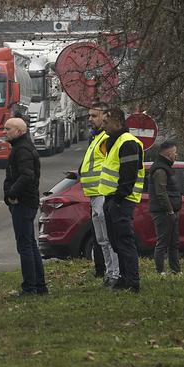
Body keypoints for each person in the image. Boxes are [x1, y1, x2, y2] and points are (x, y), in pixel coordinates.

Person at [100, 108, 145, 292]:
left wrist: (118, 198)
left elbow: (129, 174)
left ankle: (132, 281)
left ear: (118, 121)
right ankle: (124, 278)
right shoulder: (116, 141)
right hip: (113, 199)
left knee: (124, 241)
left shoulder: (127, 142)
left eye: (106, 122)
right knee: (116, 241)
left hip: (122, 200)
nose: (103, 127)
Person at [3, 117, 46, 295]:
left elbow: (26, 175)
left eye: (8, 129)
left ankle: (30, 287)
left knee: (25, 246)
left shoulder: (22, 150)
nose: (5, 132)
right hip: (25, 202)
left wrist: (12, 193)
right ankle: (38, 285)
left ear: (20, 132)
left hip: (23, 202)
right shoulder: (21, 148)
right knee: (30, 243)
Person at [80, 102, 120, 286]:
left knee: (109, 239)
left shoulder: (105, 139)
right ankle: (109, 272)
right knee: (102, 240)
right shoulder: (95, 138)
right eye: (89, 115)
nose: (90, 119)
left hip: (102, 193)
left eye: (94, 116)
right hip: (94, 194)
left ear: (105, 117)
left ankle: (115, 274)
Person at [148, 140, 182, 275]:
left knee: (174, 242)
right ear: (168, 154)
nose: (176, 155)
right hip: (163, 212)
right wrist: (169, 210)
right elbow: (161, 193)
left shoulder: (166, 168)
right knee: (162, 242)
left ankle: (176, 270)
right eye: (175, 152)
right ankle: (160, 271)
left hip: (171, 211)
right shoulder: (160, 170)